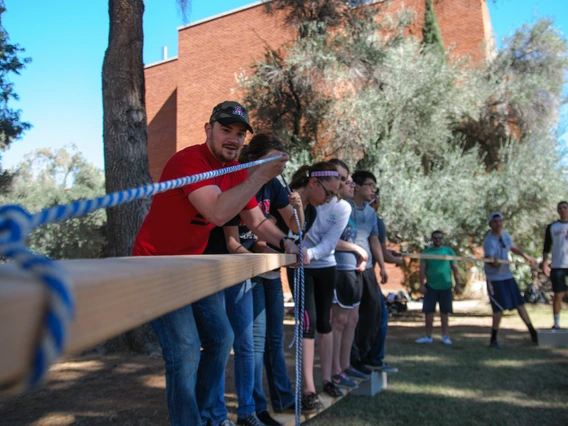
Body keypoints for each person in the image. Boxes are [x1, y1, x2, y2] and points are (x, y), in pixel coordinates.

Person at [132, 101, 299, 426]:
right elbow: (219, 213)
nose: (233, 139)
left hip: (193, 266)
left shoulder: (234, 171)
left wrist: (287, 242)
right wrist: (259, 175)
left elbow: (257, 221)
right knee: (185, 351)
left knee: (222, 338)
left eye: (239, 134)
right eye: (226, 130)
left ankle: (210, 417)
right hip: (156, 268)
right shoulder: (188, 161)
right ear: (208, 130)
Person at [209, 134, 303, 426]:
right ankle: (217, 414)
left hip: (258, 271)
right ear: (254, 160)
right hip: (231, 271)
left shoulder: (271, 185)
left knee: (252, 344)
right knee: (221, 344)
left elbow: (289, 226)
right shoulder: (235, 182)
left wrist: (296, 217)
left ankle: (250, 412)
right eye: (273, 163)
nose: (278, 170)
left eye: (280, 164)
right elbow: (233, 242)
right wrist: (260, 260)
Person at [280, 162, 343, 411]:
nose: (329, 200)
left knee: (322, 323)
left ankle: (325, 380)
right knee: (307, 324)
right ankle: (308, 390)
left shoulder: (314, 211)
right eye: (328, 193)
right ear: (314, 182)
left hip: (316, 267)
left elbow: (300, 240)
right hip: (289, 271)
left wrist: (303, 251)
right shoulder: (284, 198)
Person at [347, 170, 395, 374]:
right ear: (356, 186)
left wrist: (383, 266)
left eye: (374, 186)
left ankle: (365, 355)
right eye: (369, 185)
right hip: (348, 268)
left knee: (375, 312)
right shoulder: (344, 208)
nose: (373, 190)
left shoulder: (371, 213)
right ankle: (352, 359)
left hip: (367, 270)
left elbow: (374, 239)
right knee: (351, 317)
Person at [328, 159, 371, 390]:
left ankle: (345, 366)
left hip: (353, 272)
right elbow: (330, 241)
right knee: (339, 322)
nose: (351, 185)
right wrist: (356, 249)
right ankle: (335, 370)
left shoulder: (348, 208)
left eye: (352, 181)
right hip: (339, 270)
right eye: (346, 181)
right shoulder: (333, 208)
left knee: (352, 320)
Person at [483, 212, 538, 349]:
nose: (498, 224)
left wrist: (526, 257)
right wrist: (493, 262)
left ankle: (533, 333)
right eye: (495, 222)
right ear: (491, 224)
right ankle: (493, 340)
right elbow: (489, 260)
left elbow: (513, 248)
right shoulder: (489, 241)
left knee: (520, 304)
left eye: (500, 221)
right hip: (495, 279)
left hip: (507, 276)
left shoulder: (506, 236)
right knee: (499, 309)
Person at [416, 230, 462, 345]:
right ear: (432, 239)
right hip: (430, 286)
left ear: (442, 239)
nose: (437, 239)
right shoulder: (426, 252)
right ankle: (428, 336)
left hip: (446, 286)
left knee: (444, 312)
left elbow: (455, 269)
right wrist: (421, 285)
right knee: (428, 312)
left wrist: (457, 284)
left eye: (440, 237)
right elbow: (421, 270)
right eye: (435, 237)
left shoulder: (449, 252)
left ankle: (445, 336)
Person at [542, 201, 568, 329]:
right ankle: (556, 323)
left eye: (565, 208)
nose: (563, 210)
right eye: (560, 208)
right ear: (557, 211)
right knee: (558, 294)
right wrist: (544, 262)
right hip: (558, 265)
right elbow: (546, 246)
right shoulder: (552, 227)